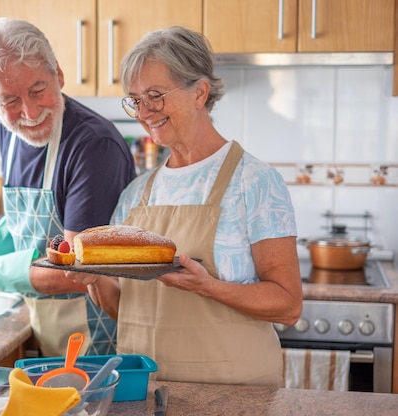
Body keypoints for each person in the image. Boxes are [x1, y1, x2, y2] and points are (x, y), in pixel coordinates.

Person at [68, 26, 302, 386]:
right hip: (147, 393)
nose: (144, 112)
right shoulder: (136, 194)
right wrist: (93, 280)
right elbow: (124, 310)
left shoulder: (253, 182)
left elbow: (288, 305)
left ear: (200, 93)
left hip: (234, 395)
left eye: (155, 95)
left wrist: (208, 287)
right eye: (135, 100)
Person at [0, 18, 136, 357]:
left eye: (38, 90)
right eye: (10, 100)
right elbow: (30, 224)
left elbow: (78, 269)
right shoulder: (8, 129)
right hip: (51, 332)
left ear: (59, 76)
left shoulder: (93, 146)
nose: (30, 112)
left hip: (101, 340)